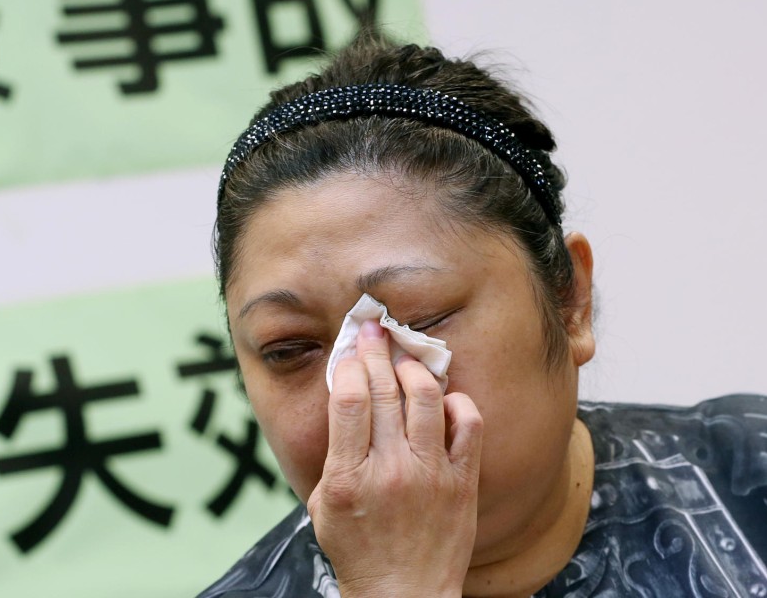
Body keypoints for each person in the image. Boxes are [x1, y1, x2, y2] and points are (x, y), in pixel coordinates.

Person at [196, 32, 767, 597]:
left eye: (420, 320)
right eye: (289, 349)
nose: (361, 391)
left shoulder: (750, 468)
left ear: (569, 302)